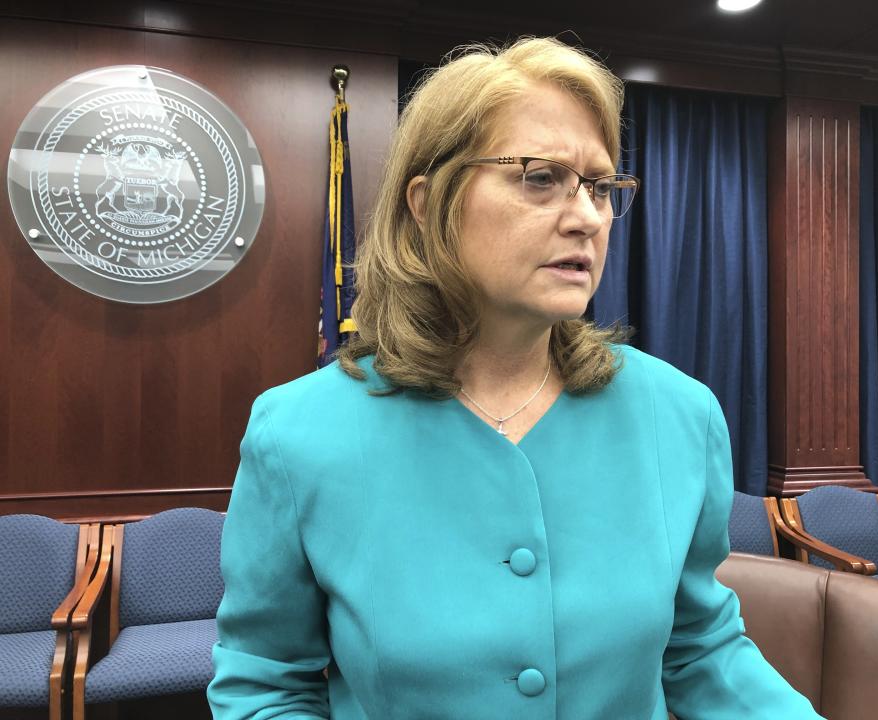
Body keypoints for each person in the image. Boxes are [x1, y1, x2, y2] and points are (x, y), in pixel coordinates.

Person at [207, 37, 824, 720]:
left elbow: (699, 647)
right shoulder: (299, 433)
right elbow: (265, 684)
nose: (587, 216)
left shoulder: (679, 415)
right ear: (427, 201)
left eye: (599, 185)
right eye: (540, 177)